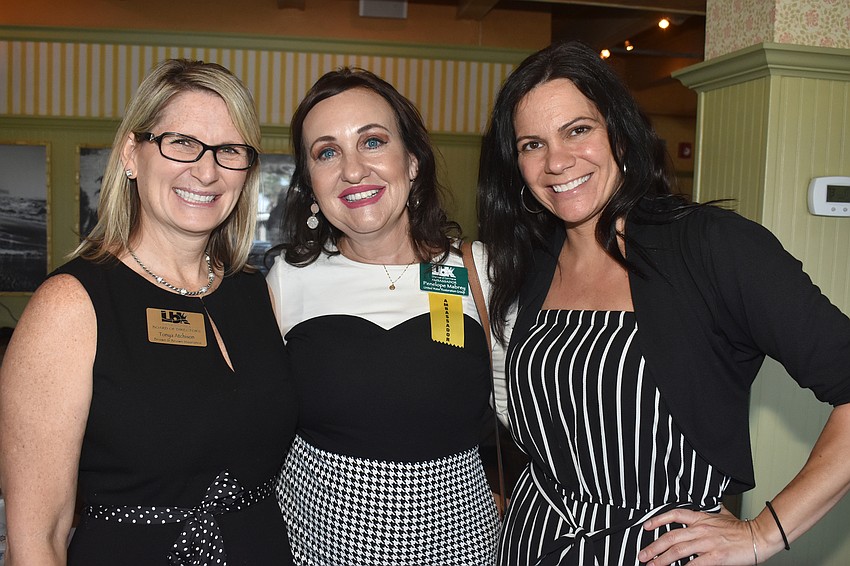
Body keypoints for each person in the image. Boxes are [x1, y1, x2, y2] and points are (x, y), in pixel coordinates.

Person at [477, 40, 850, 566]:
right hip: (531, 547)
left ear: (621, 136)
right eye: (531, 144)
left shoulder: (712, 246)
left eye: (578, 130)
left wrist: (763, 533)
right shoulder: (534, 261)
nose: (557, 161)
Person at [0, 59, 297, 565]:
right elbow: (37, 539)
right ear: (131, 155)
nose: (206, 170)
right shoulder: (71, 305)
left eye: (229, 150)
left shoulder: (255, 293)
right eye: (181, 142)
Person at [266, 67, 500, 565]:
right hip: (319, 543)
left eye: (372, 142)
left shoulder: (476, 270)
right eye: (327, 153)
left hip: (463, 544)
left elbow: (531, 411)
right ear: (310, 183)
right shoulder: (287, 279)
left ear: (412, 162)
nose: (352, 170)